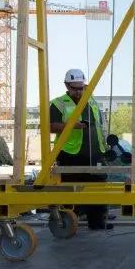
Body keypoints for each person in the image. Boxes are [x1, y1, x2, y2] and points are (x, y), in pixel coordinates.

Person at [49, 68, 110, 230]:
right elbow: (50, 126)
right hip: (70, 154)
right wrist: (72, 126)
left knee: (97, 189)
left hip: (94, 153)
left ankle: (97, 223)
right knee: (70, 190)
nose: (78, 91)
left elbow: (99, 126)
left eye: (81, 87)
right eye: (74, 88)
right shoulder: (58, 103)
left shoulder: (92, 102)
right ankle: (69, 223)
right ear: (67, 86)